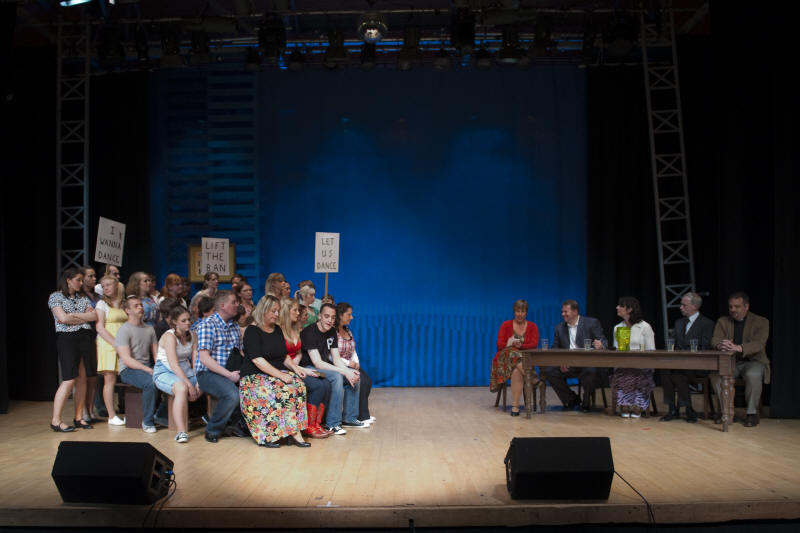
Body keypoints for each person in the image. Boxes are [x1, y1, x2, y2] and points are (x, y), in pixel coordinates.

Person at [240, 296, 310, 448]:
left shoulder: (277, 329)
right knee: (281, 390)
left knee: (299, 386)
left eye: (278, 311)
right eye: (273, 311)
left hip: (275, 373)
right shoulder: (252, 331)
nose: (277, 314)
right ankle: (268, 435)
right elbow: (257, 360)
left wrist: (296, 369)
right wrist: (281, 376)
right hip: (254, 377)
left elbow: (284, 356)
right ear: (263, 310)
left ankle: (293, 432)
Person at [300, 302, 363, 434]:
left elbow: (336, 359)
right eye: (326, 316)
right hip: (311, 370)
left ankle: (349, 418)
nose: (330, 320)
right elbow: (317, 363)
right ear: (319, 316)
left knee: (355, 374)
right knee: (336, 377)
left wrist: (348, 372)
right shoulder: (309, 332)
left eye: (333, 317)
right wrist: (344, 372)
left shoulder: (332, 332)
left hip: (325, 368)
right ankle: (332, 424)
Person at [709, 292, 770, 428]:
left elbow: (759, 343)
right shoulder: (723, 321)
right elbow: (715, 340)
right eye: (730, 307)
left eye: (737, 306)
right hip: (730, 362)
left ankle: (751, 413)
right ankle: (726, 412)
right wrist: (721, 345)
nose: (733, 310)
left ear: (746, 307)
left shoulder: (761, 321)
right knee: (716, 376)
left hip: (753, 361)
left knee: (753, 375)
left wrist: (739, 347)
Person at [48, 268, 98, 432]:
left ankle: (79, 417)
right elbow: (62, 318)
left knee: (82, 378)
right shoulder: (56, 296)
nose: (81, 283)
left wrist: (74, 317)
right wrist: (82, 317)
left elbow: (93, 316)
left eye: (82, 280)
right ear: (68, 280)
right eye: (78, 280)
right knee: (69, 378)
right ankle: (56, 420)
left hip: (84, 337)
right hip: (67, 339)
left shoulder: (82, 298)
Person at [195, 290, 247, 443]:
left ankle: (237, 424)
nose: (237, 305)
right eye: (234, 302)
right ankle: (213, 429)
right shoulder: (208, 325)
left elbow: (240, 352)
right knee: (232, 394)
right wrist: (229, 375)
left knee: (256, 385)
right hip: (208, 373)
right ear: (223, 305)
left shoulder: (234, 326)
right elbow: (204, 358)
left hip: (231, 369)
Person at [280, 298, 331, 438]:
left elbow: (298, 352)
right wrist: (295, 367)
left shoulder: (295, 328)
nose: (298, 313)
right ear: (286, 312)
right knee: (317, 385)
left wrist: (296, 363)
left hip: (297, 366)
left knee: (326, 382)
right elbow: (281, 355)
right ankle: (308, 426)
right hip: (284, 368)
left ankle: (317, 423)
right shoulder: (279, 331)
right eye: (295, 310)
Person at [659, 292, 714, 423]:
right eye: (681, 304)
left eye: (684, 305)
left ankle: (686, 408)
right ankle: (673, 408)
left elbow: (705, 346)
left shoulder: (707, 323)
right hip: (680, 364)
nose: (680, 307)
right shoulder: (679, 323)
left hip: (698, 365)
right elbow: (671, 342)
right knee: (665, 370)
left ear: (694, 306)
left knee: (677, 373)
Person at [544, 300, 607, 412]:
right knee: (549, 371)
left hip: (587, 364)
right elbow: (555, 349)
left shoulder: (591, 323)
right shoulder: (559, 328)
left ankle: (586, 401)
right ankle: (571, 399)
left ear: (575, 312)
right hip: (569, 364)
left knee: (591, 370)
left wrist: (601, 345)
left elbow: (604, 341)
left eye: (565, 312)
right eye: (562, 312)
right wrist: (561, 361)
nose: (563, 314)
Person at [153, 305, 200, 443]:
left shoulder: (193, 334)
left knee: (204, 383)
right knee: (182, 388)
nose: (188, 323)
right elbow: (173, 365)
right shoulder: (170, 336)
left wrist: (198, 380)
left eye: (189, 320)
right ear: (174, 322)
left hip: (184, 369)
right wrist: (189, 385)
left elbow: (195, 359)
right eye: (183, 321)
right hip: (164, 370)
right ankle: (181, 431)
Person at [115, 297, 160, 432]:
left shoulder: (149, 329)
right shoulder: (124, 330)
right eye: (136, 306)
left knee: (169, 380)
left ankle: (161, 415)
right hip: (128, 369)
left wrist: (160, 369)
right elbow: (126, 359)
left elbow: (156, 355)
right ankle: (147, 422)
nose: (140, 307)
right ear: (127, 310)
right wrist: (148, 369)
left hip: (146, 366)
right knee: (150, 383)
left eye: (141, 305)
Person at [489, 299, 539, 416]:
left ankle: (515, 406)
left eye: (523, 311)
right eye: (518, 311)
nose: (520, 314)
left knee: (516, 371)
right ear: (514, 312)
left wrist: (521, 346)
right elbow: (499, 345)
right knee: (511, 351)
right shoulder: (506, 325)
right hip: (505, 361)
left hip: (523, 361)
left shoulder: (532, 326)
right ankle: (531, 377)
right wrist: (510, 344)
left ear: (526, 313)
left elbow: (534, 345)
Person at [611, 296, 656, 418]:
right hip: (624, 365)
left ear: (629, 309)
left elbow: (651, 350)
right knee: (623, 372)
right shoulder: (618, 327)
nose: (617, 307)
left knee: (638, 374)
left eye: (620, 306)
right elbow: (618, 351)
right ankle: (625, 404)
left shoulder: (644, 327)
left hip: (642, 365)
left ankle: (638, 404)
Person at [94, 275, 127, 426]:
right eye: (103, 286)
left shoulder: (123, 303)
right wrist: (115, 344)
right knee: (110, 379)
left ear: (117, 285)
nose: (105, 288)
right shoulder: (102, 304)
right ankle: (111, 415)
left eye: (108, 285)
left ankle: (129, 411)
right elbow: (99, 327)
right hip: (108, 343)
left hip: (123, 342)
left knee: (124, 377)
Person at [336, 302, 375, 426]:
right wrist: (349, 363)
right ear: (340, 315)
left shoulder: (347, 330)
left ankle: (362, 414)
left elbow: (353, 349)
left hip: (350, 364)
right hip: (338, 364)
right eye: (349, 314)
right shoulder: (333, 332)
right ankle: (351, 416)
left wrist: (356, 362)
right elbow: (332, 355)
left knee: (367, 381)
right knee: (359, 380)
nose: (351, 317)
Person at [79, 265, 101, 422]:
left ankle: (91, 409)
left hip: (97, 337)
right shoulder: (80, 296)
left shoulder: (98, 296)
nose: (94, 279)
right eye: (90, 276)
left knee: (94, 376)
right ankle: (82, 410)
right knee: (84, 376)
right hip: (85, 336)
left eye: (94, 276)